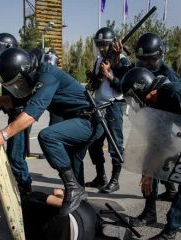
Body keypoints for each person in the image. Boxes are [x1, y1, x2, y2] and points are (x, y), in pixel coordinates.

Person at [0, 47, 104, 216]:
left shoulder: (47, 76)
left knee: (48, 136)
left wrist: (4, 134)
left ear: (25, 72)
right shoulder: (36, 77)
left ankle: (74, 190)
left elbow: (32, 112)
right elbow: (18, 99)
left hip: (90, 121)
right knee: (73, 160)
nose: (17, 86)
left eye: (17, 82)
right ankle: (81, 204)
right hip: (80, 120)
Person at [112, 32, 180, 227]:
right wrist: (116, 59)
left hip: (170, 126)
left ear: (160, 55)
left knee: (154, 165)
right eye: (142, 60)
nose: (146, 64)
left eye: (151, 59)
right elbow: (124, 76)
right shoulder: (141, 69)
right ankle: (161, 200)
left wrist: (151, 168)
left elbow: (165, 129)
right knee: (153, 164)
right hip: (153, 123)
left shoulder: (170, 80)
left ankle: (160, 218)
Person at [121, 67, 181, 240]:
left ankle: (170, 232)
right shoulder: (161, 102)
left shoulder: (172, 93)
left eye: (133, 96)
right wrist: (149, 171)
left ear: (142, 88)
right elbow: (161, 142)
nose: (134, 101)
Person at [85, 27, 130, 194]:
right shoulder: (99, 60)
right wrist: (93, 82)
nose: (103, 48)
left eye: (105, 45)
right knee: (94, 142)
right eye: (100, 45)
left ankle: (115, 180)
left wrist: (109, 74)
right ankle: (100, 177)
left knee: (115, 144)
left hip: (113, 107)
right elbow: (96, 82)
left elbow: (122, 87)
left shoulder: (123, 60)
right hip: (98, 106)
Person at [0, 33, 33, 195]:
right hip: (14, 113)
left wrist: (0, 103)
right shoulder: (7, 66)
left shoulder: (17, 66)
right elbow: (9, 98)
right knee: (12, 155)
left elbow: (20, 99)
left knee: (15, 157)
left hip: (20, 116)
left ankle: (25, 190)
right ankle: (13, 183)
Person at [22, 188, 132, 240]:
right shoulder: (31, 197)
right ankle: (105, 224)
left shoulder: (20, 228)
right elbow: (63, 203)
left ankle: (99, 233)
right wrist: (59, 193)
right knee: (78, 208)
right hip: (80, 216)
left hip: (78, 236)